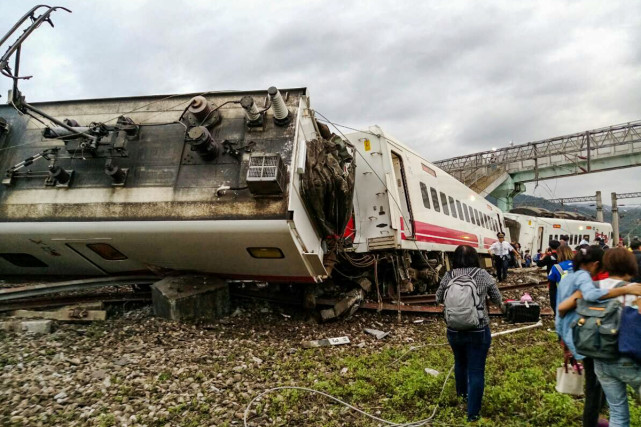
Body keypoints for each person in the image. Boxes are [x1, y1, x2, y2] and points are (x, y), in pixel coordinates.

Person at [556, 247, 641, 427]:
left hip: (602, 360)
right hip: (630, 360)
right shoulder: (635, 290)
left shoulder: (592, 287)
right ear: (630, 266)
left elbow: (562, 308)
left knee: (618, 413)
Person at [436, 245, 503, 422]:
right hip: (478, 329)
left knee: (460, 362)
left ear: (455, 259)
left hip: (454, 329)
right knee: (476, 370)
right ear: (475, 258)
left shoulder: (449, 275)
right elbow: (497, 298)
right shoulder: (483, 275)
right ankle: (472, 414)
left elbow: (437, 298)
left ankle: (462, 396)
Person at [547, 246, 574, 314]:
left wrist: (554, 307)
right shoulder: (579, 266)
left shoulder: (556, 267)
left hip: (562, 301)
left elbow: (552, 289)